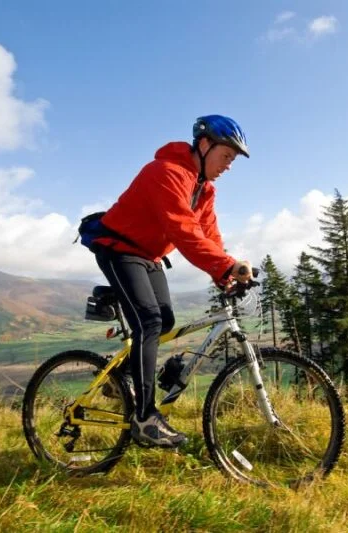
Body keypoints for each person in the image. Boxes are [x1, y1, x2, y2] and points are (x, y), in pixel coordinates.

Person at [92, 114, 254, 448]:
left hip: (149, 256)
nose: (229, 166)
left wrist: (224, 273)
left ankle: (119, 378)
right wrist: (226, 266)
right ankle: (144, 418)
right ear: (205, 145)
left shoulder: (205, 190)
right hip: (118, 249)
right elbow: (183, 230)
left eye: (233, 161)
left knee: (164, 320)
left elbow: (208, 235)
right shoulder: (164, 172)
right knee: (148, 321)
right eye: (227, 156)